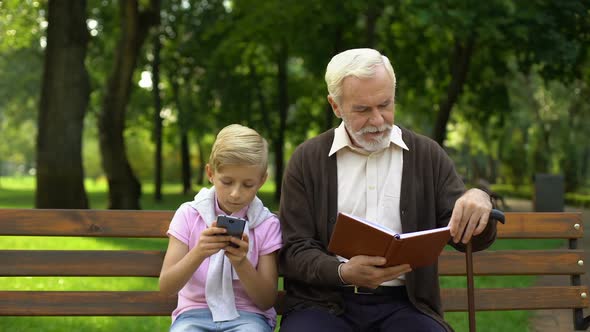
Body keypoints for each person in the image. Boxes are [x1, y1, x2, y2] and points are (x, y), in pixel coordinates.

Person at [278, 48, 497, 332]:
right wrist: (343, 272)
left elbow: (468, 238)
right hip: (323, 303)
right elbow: (294, 249)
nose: (378, 120)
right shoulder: (307, 160)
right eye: (362, 110)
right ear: (336, 106)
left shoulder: (427, 155)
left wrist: (479, 201)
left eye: (385, 105)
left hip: (405, 304)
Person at [159, 124, 282, 332]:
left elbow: (266, 300)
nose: (235, 193)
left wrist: (241, 262)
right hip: (193, 315)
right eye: (227, 181)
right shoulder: (189, 215)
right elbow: (166, 287)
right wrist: (199, 252)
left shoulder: (266, 224)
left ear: (262, 180)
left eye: (247, 184)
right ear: (210, 173)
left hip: (248, 317)